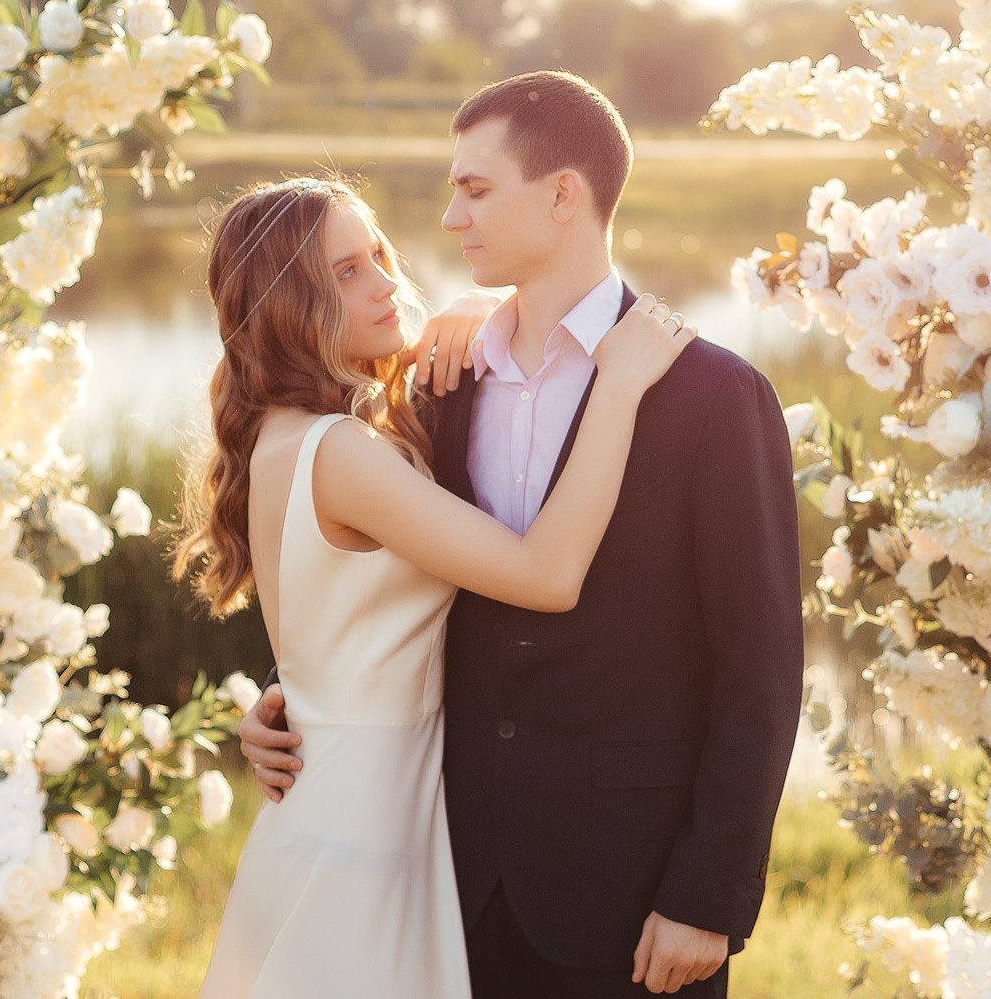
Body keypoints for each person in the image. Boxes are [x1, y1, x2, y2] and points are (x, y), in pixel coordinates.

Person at [240, 72, 806, 997]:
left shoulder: (712, 394)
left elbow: (763, 668)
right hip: (450, 883)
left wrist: (710, 894)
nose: (450, 218)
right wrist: (287, 696)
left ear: (562, 195)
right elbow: (385, 568)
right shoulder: (436, 382)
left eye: (475, 188)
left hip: (633, 893)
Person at [178, 175, 697, 997]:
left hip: (355, 800)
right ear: (288, 305)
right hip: (363, 827)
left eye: (379, 255)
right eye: (347, 271)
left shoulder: (293, 433)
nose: (385, 282)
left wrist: (476, 311)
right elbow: (546, 575)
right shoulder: (341, 453)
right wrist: (619, 385)